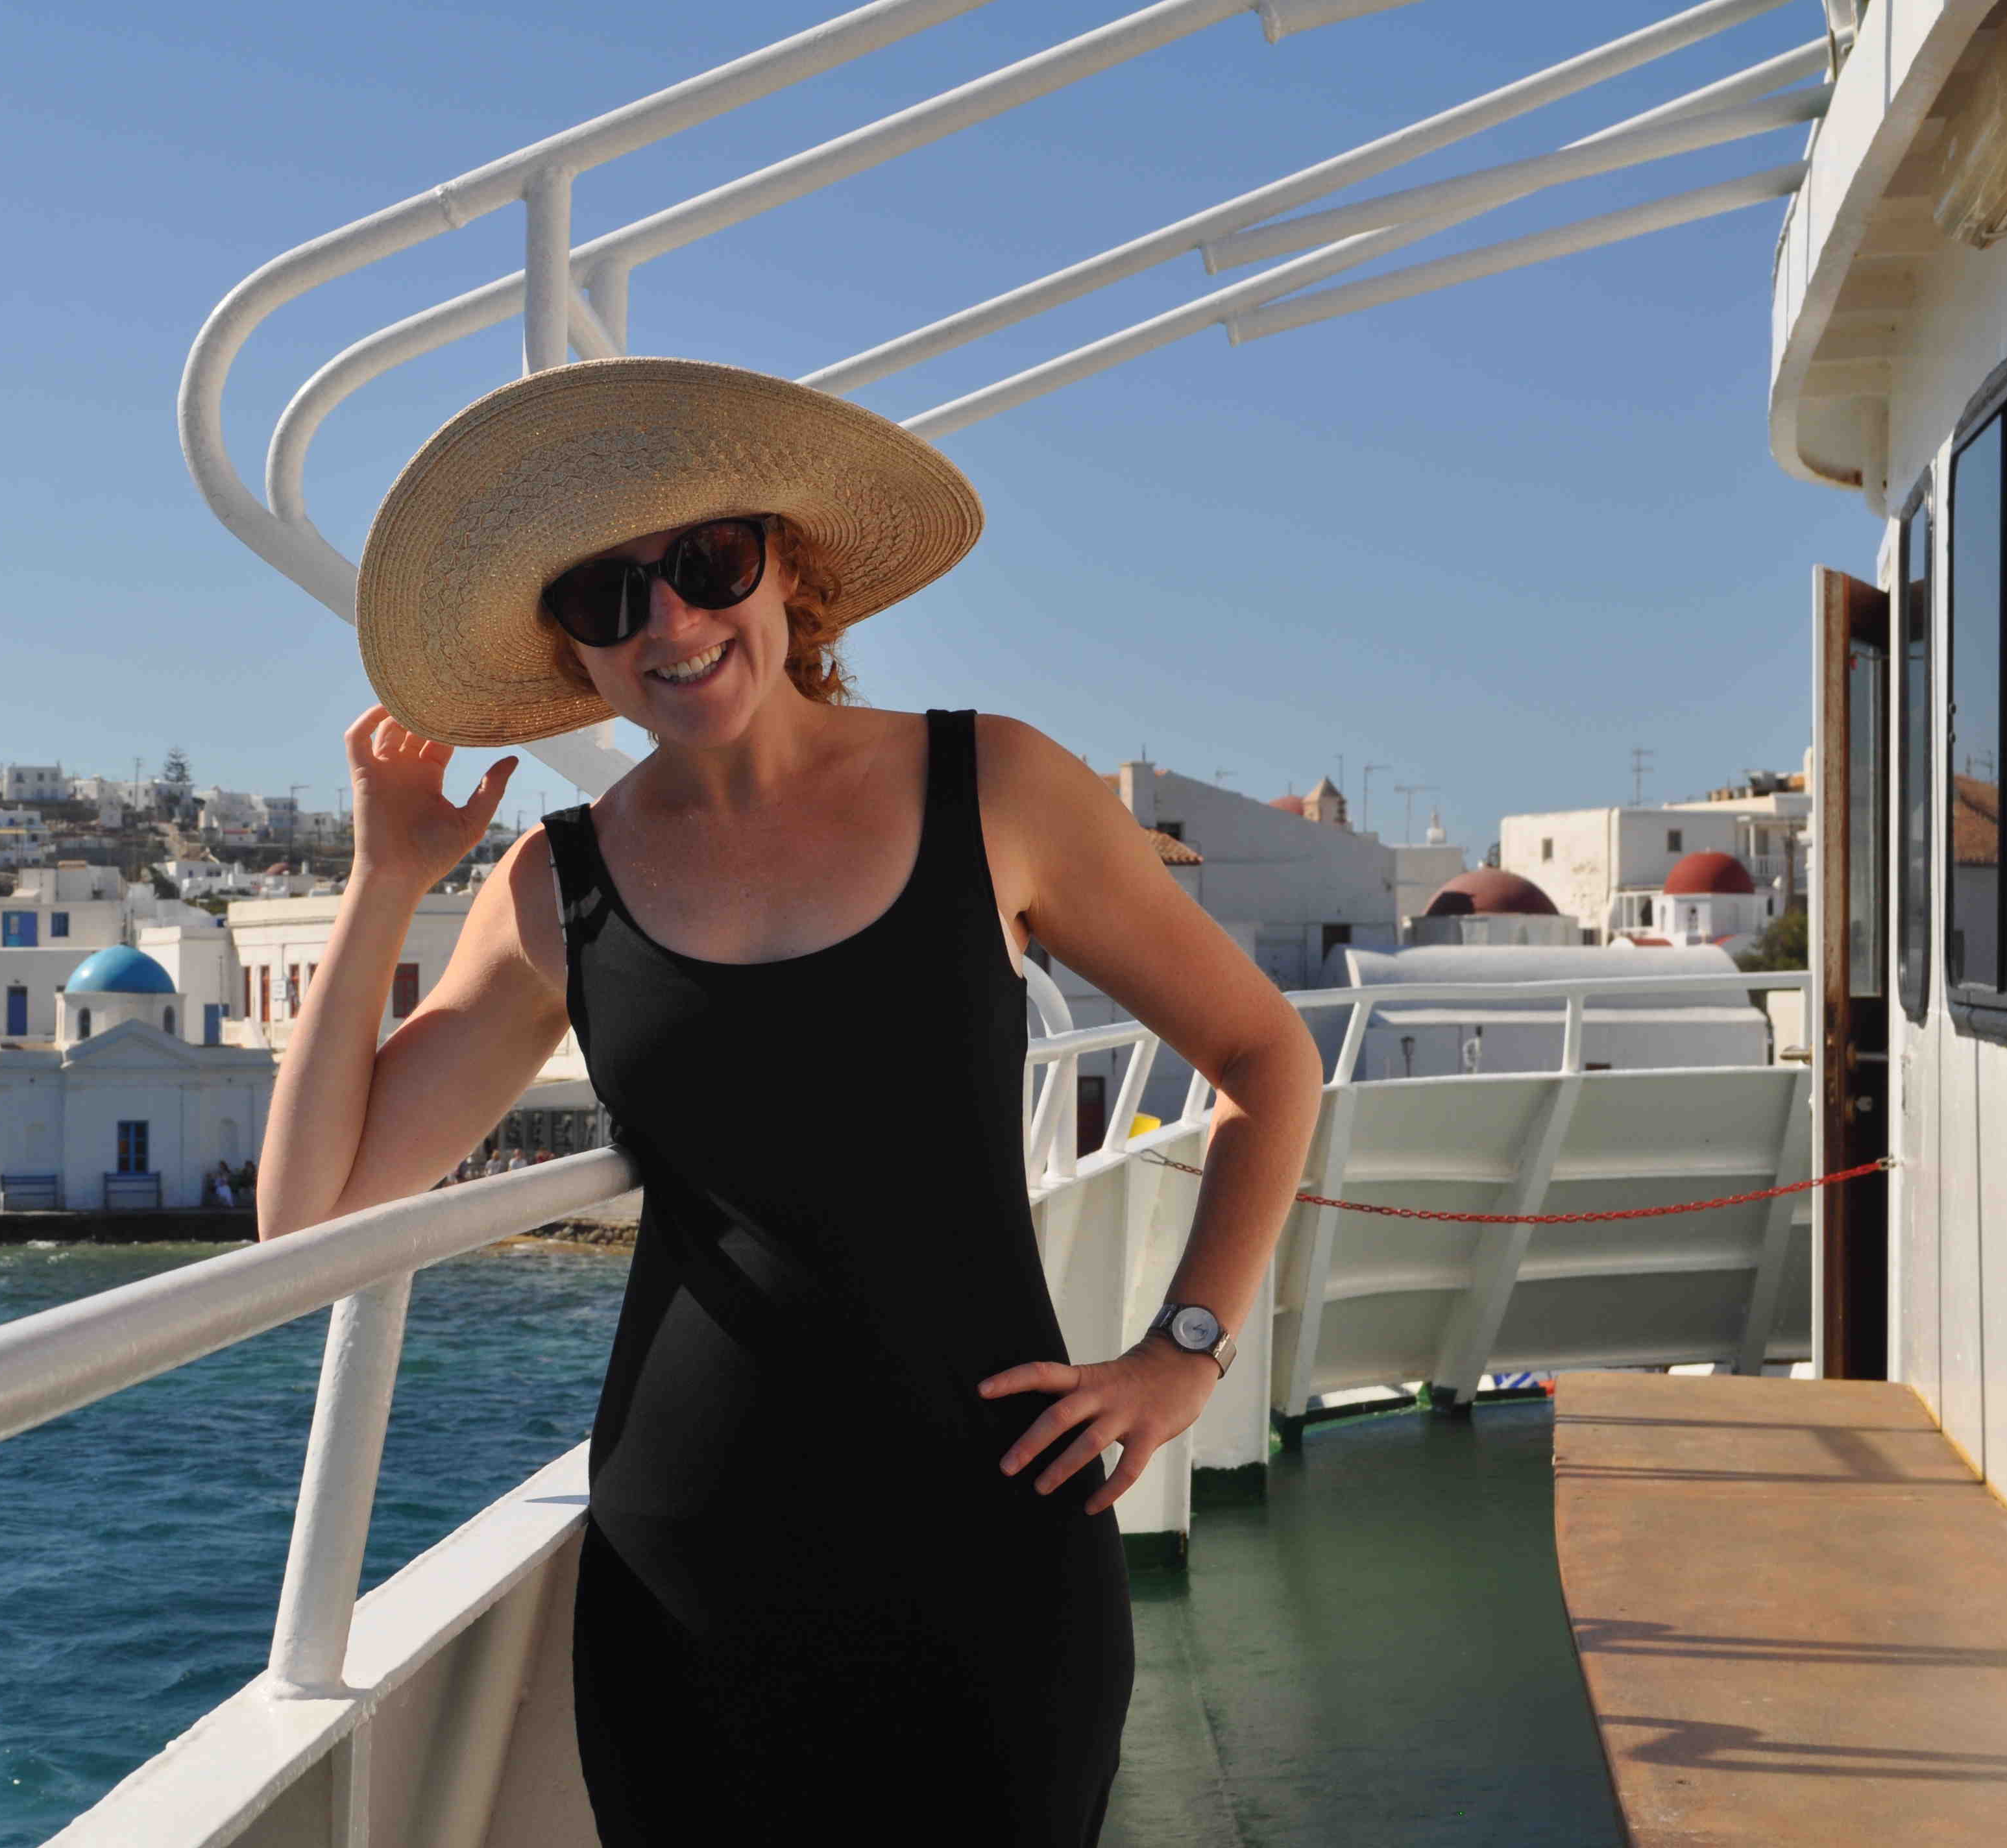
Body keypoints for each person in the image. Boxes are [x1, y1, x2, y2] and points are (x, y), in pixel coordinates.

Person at [253, 358, 1322, 1844]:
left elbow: (1264, 1055)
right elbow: (309, 1209)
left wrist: (1181, 1351)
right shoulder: (555, 887)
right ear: (570, 645)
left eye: (705, 562)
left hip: (990, 1549)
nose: (669, 622)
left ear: (787, 571)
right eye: (607, 596)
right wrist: (383, 877)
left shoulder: (995, 784)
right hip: (692, 1574)